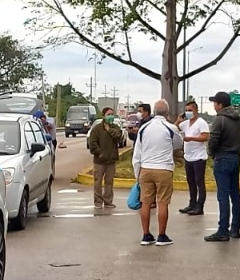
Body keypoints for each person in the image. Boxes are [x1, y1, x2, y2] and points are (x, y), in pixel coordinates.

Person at [131, 99, 182, 246]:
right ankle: (161, 236)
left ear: (153, 111)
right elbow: (178, 143)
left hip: (146, 169)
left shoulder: (144, 128)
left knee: (145, 203)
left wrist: (137, 174)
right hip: (163, 169)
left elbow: (137, 153)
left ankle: (146, 235)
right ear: (167, 113)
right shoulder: (170, 128)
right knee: (162, 203)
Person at [204, 91, 240, 242]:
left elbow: (213, 141)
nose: (214, 106)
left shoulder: (220, 120)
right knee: (235, 194)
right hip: (235, 158)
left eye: (215, 103)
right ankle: (235, 228)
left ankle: (223, 230)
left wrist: (212, 154)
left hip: (222, 158)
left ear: (220, 104)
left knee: (223, 196)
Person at [176, 101, 210, 215]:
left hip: (199, 157)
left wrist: (191, 138)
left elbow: (205, 136)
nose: (188, 112)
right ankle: (192, 204)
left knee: (199, 181)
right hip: (188, 157)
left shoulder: (201, 123)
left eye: (190, 110)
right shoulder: (185, 124)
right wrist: (178, 120)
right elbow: (174, 128)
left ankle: (200, 206)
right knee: (190, 181)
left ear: (196, 111)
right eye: (186, 110)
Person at [87, 106, 124, 209]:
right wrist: (99, 153)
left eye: (112, 114)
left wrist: (109, 130)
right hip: (99, 161)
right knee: (97, 182)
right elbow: (92, 142)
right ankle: (98, 202)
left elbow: (119, 137)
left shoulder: (115, 127)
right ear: (103, 116)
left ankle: (108, 201)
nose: (110, 116)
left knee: (109, 182)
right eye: (108, 114)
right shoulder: (97, 129)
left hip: (111, 160)